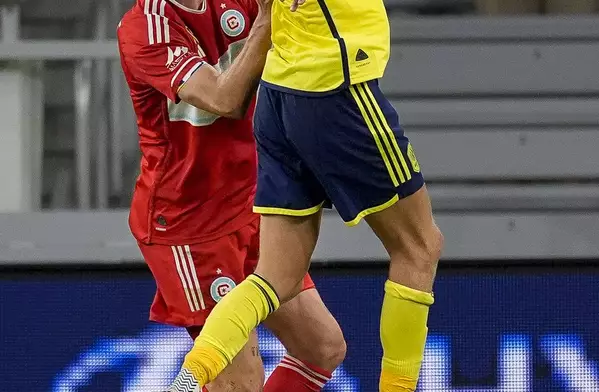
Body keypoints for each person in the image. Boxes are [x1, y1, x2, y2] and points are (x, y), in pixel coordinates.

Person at [166, 0, 444, 391]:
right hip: (337, 83)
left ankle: (189, 378)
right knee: (419, 246)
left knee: (274, 277)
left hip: (280, 93)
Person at [116, 0, 346, 391]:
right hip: (190, 225)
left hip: (251, 205)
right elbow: (225, 99)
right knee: (240, 382)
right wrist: (269, 19)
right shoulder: (145, 27)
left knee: (320, 347)